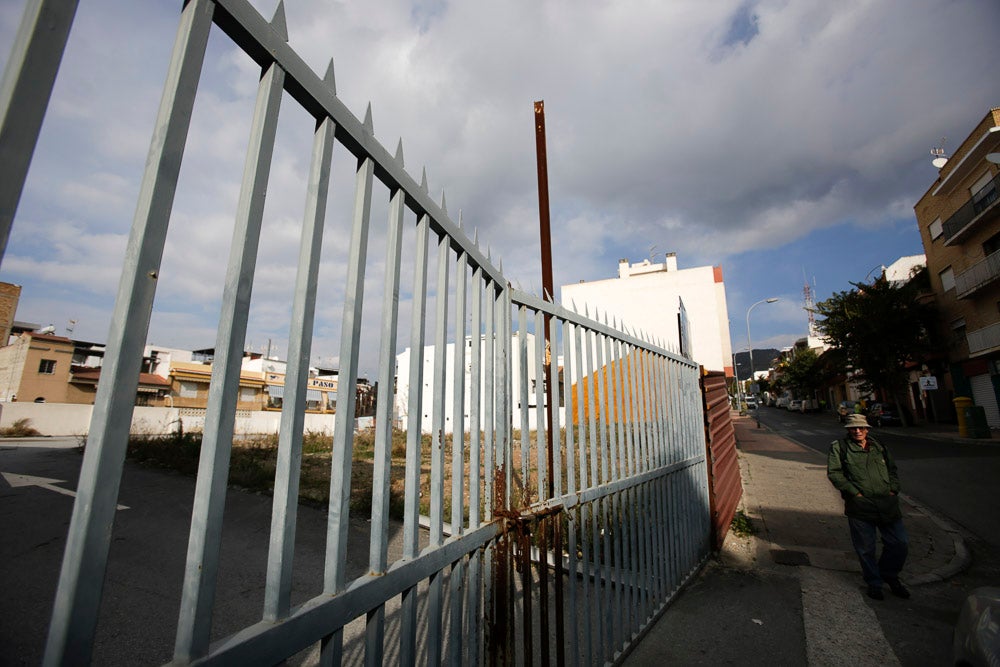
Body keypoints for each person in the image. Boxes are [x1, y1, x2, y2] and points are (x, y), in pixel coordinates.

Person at [827, 413, 910, 600]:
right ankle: (874, 582)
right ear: (848, 430)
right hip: (861, 507)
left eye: (861, 427)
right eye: (853, 428)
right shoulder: (839, 448)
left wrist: (893, 489)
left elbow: (892, 469)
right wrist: (854, 493)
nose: (857, 431)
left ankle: (890, 574)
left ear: (867, 429)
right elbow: (835, 473)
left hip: (887, 504)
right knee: (866, 548)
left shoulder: (878, 446)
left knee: (900, 543)